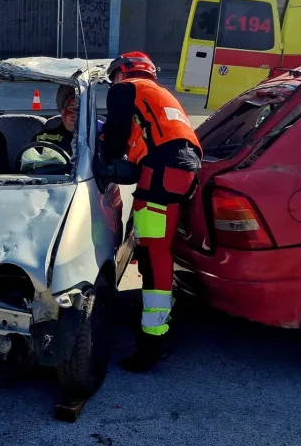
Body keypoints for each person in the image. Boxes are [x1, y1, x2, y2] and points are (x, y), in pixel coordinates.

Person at [97, 51, 202, 373]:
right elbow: (146, 142)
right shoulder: (159, 95)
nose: (112, 83)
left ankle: (153, 342)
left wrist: (104, 161)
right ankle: (154, 324)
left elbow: (115, 138)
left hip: (162, 173)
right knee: (153, 247)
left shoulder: (126, 88)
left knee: (154, 253)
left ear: (122, 71)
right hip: (178, 171)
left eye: (114, 76)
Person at [31, 85, 78, 155]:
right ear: (63, 113)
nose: (77, 114)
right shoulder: (42, 139)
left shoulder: (97, 138)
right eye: (72, 109)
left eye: (82, 110)